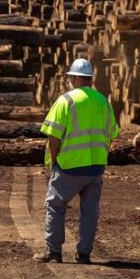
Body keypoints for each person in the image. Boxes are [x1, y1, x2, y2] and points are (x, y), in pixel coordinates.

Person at [34, 58, 119, 264]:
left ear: (72, 78)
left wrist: (53, 162)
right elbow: (112, 134)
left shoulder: (66, 101)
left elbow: (53, 136)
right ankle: (84, 254)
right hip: (96, 167)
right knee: (90, 211)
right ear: (90, 79)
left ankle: (53, 251)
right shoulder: (103, 102)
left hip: (70, 165)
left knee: (55, 205)